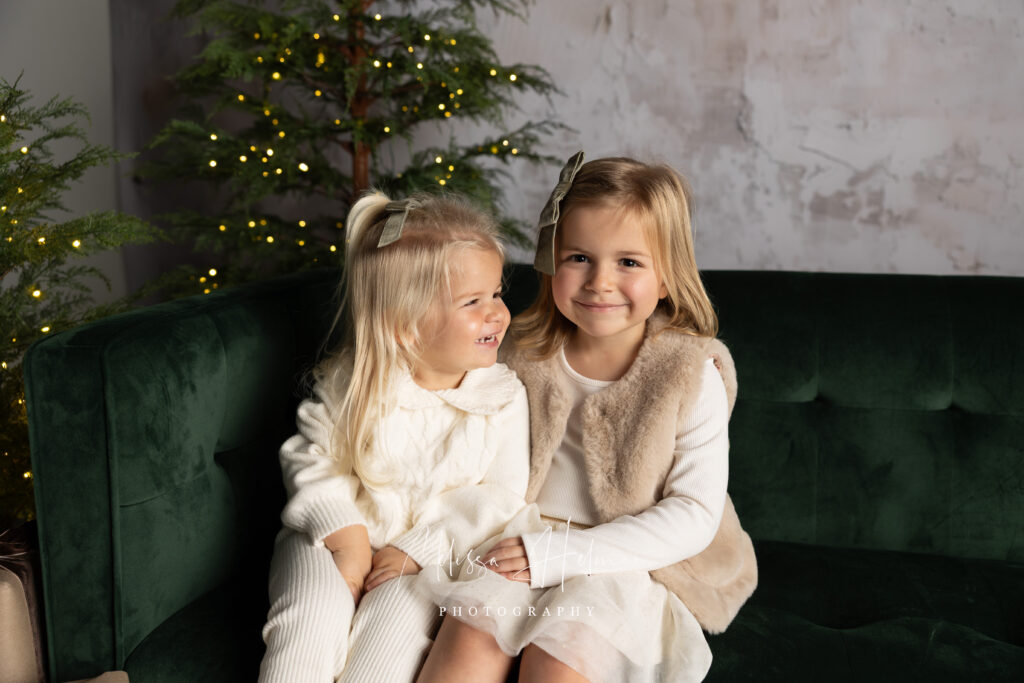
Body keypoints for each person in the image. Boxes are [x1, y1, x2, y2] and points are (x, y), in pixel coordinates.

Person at [417, 153, 758, 683]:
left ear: (667, 277)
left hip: (629, 555)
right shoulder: (521, 353)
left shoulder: (690, 371)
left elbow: (693, 513)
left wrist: (565, 554)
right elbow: (463, 447)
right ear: (551, 260)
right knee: (469, 640)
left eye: (629, 262)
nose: (600, 282)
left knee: (560, 659)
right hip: (521, 539)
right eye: (579, 257)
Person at [258, 192, 530, 683]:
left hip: (427, 561)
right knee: (306, 633)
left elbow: (500, 499)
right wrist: (348, 541)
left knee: (380, 662)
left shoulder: (504, 398)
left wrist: (419, 549)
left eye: (496, 293)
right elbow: (312, 459)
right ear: (405, 328)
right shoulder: (354, 382)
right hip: (330, 539)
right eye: (473, 301)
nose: (496, 313)